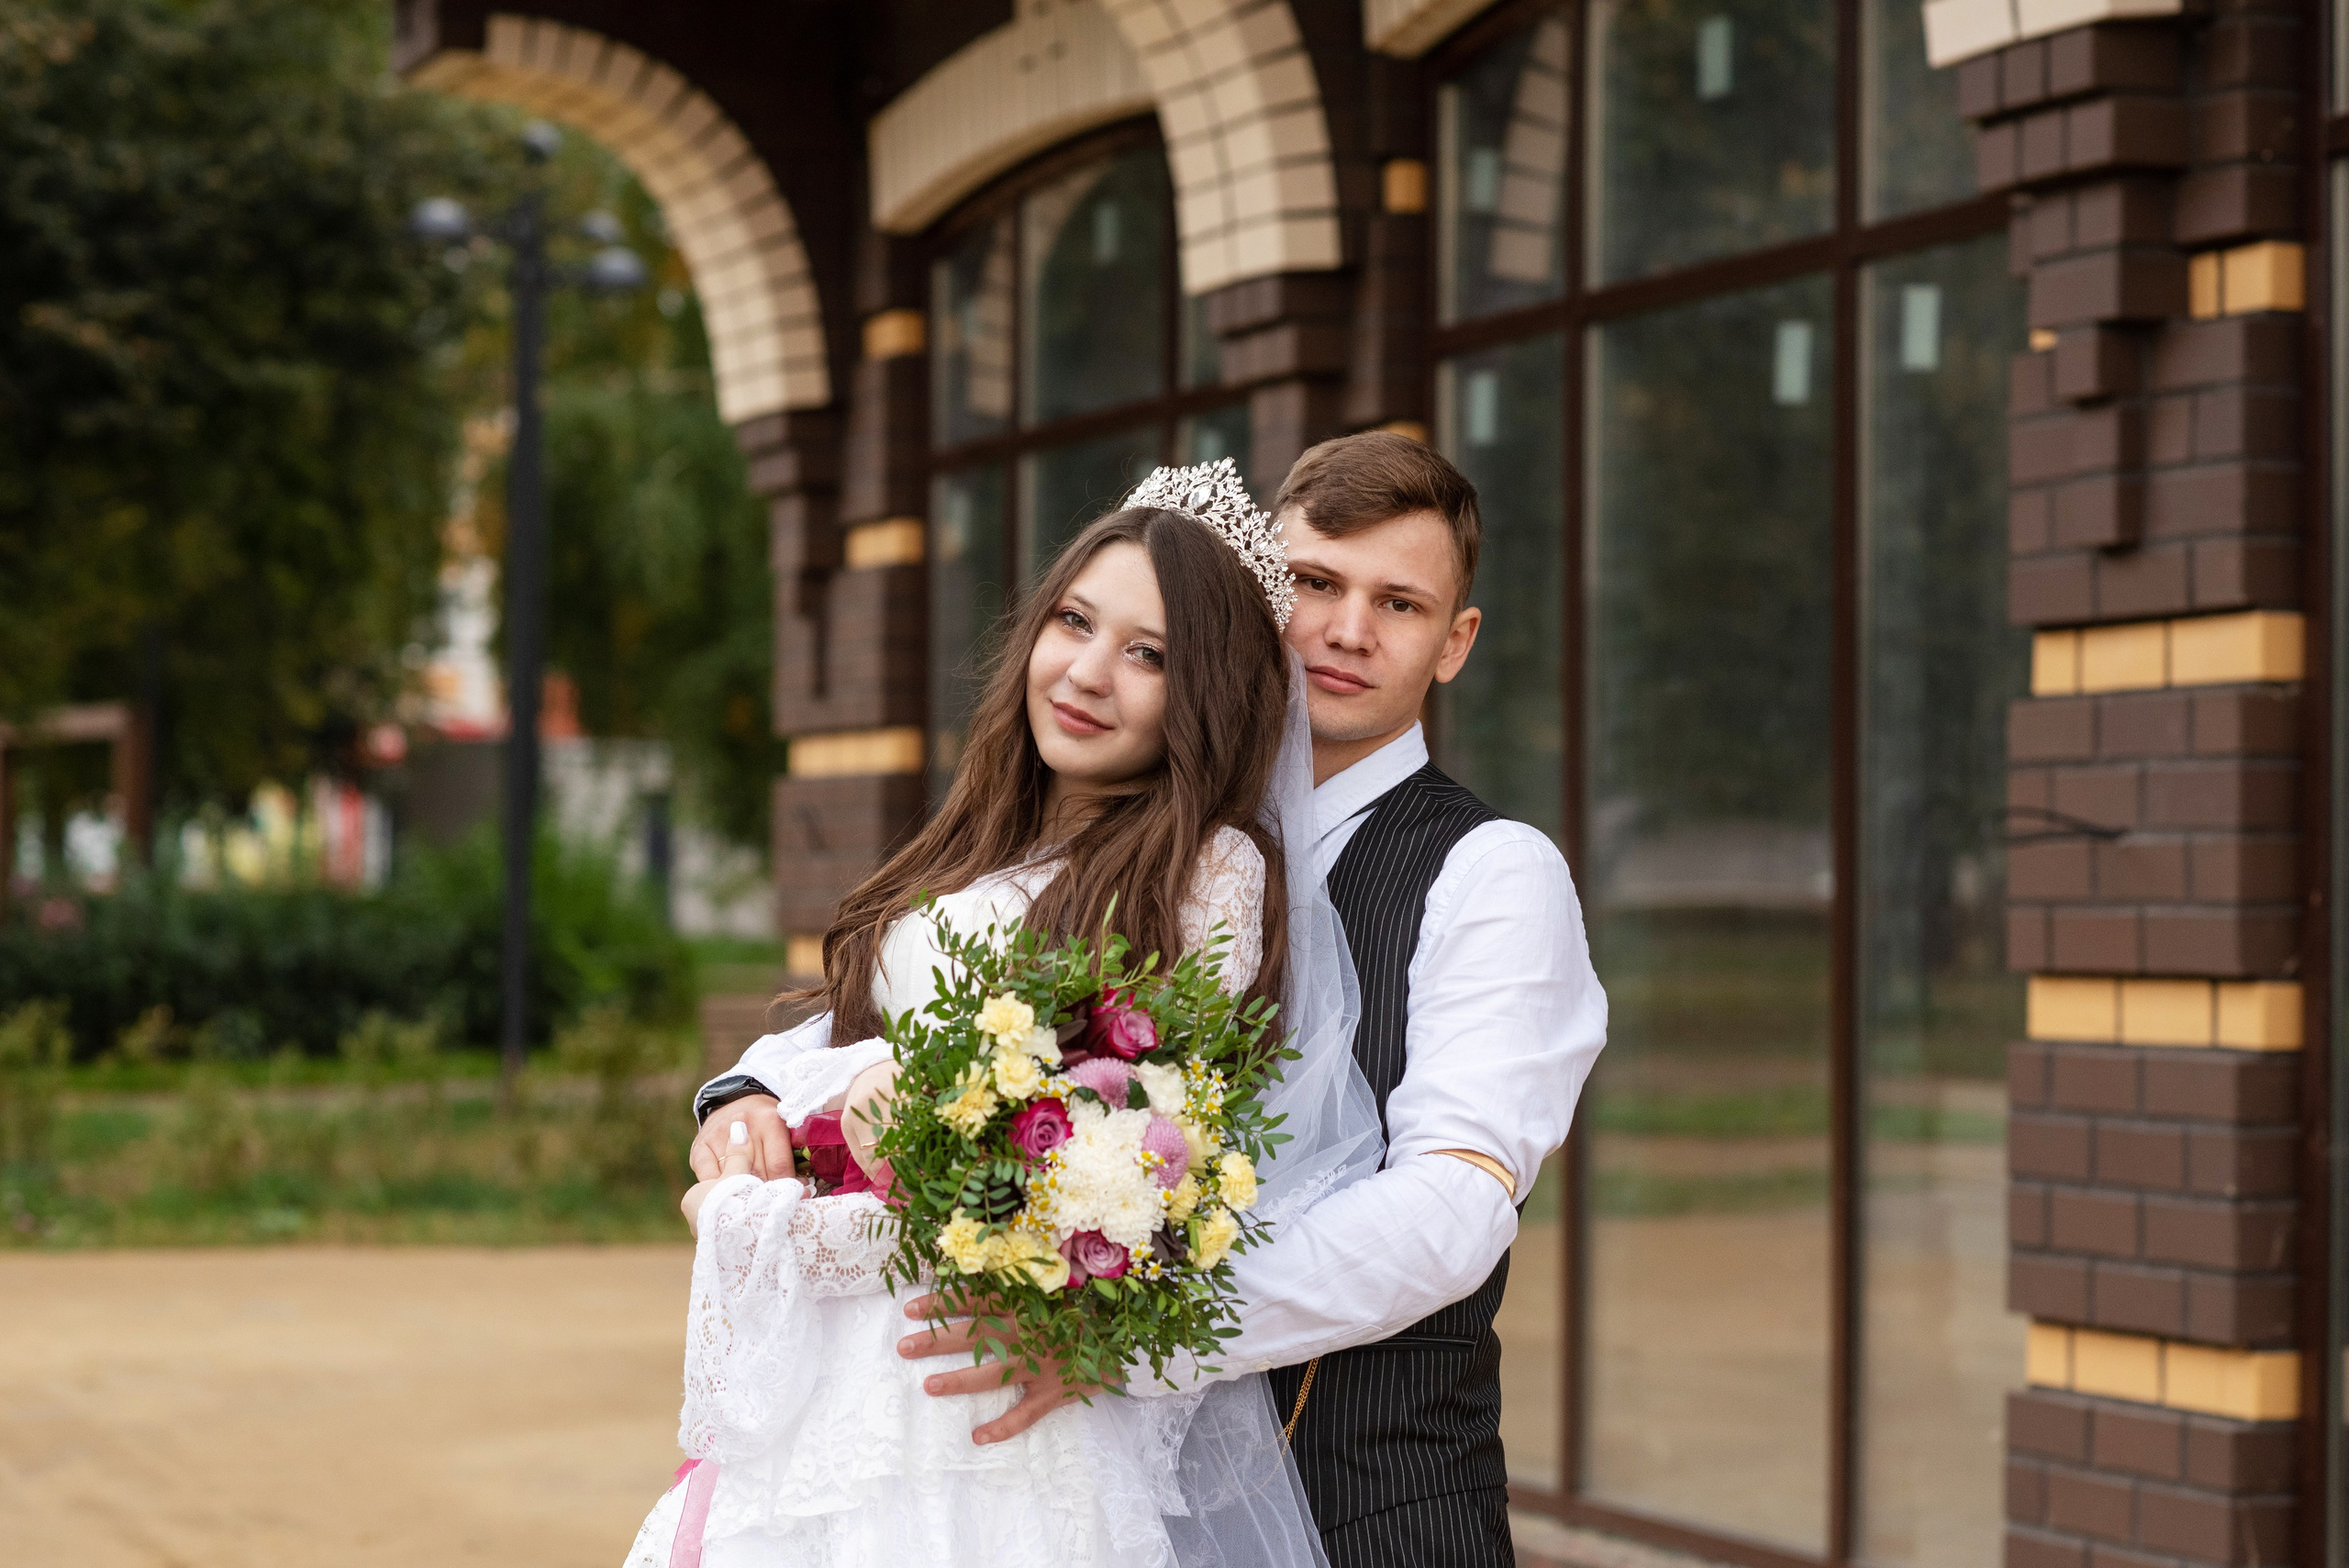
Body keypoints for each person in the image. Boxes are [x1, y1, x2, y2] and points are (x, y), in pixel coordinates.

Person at [692, 434, 1604, 1566]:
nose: (1343, 630)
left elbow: (1453, 1205)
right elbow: (934, 1012)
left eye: (1399, 603)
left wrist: (1114, 1332)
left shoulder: (1489, 870)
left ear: (1453, 641)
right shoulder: (1115, 818)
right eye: (1313, 583)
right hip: (1062, 1468)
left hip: (1362, 1494)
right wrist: (748, 1089)